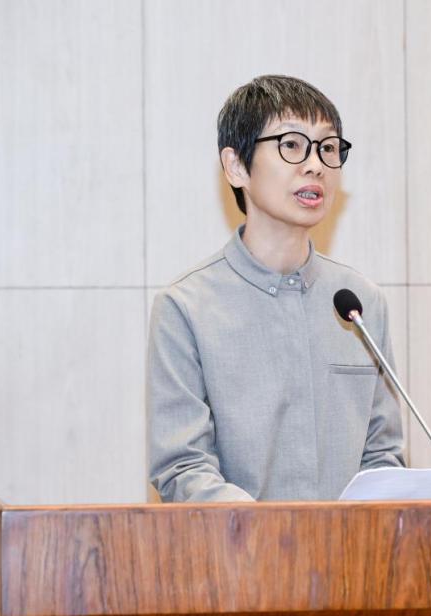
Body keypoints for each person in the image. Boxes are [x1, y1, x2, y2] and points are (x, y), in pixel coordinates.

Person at [147, 75, 405, 502]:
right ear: (236, 166)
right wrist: (268, 532)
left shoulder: (361, 303)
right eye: (291, 145)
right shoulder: (186, 308)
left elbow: (383, 456)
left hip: (351, 545)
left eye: (327, 148)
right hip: (237, 544)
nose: (315, 165)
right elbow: (183, 468)